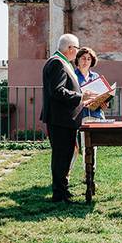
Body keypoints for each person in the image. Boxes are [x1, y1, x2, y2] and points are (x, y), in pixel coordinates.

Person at [40, 34, 98, 203]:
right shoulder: (57, 63)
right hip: (60, 119)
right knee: (61, 157)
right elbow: (57, 91)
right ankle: (59, 194)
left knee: (65, 156)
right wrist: (81, 96)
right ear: (70, 48)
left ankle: (63, 191)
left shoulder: (61, 62)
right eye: (77, 48)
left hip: (65, 119)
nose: (77, 52)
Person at [74, 47, 104, 120]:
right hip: (80, 116)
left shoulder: (96, 76)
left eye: (88, 59)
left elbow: (102, 95)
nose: (86, 61)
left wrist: (103, 104)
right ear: (78, 59)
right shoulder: (72, 75)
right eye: (83, 58)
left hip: (96, 116)